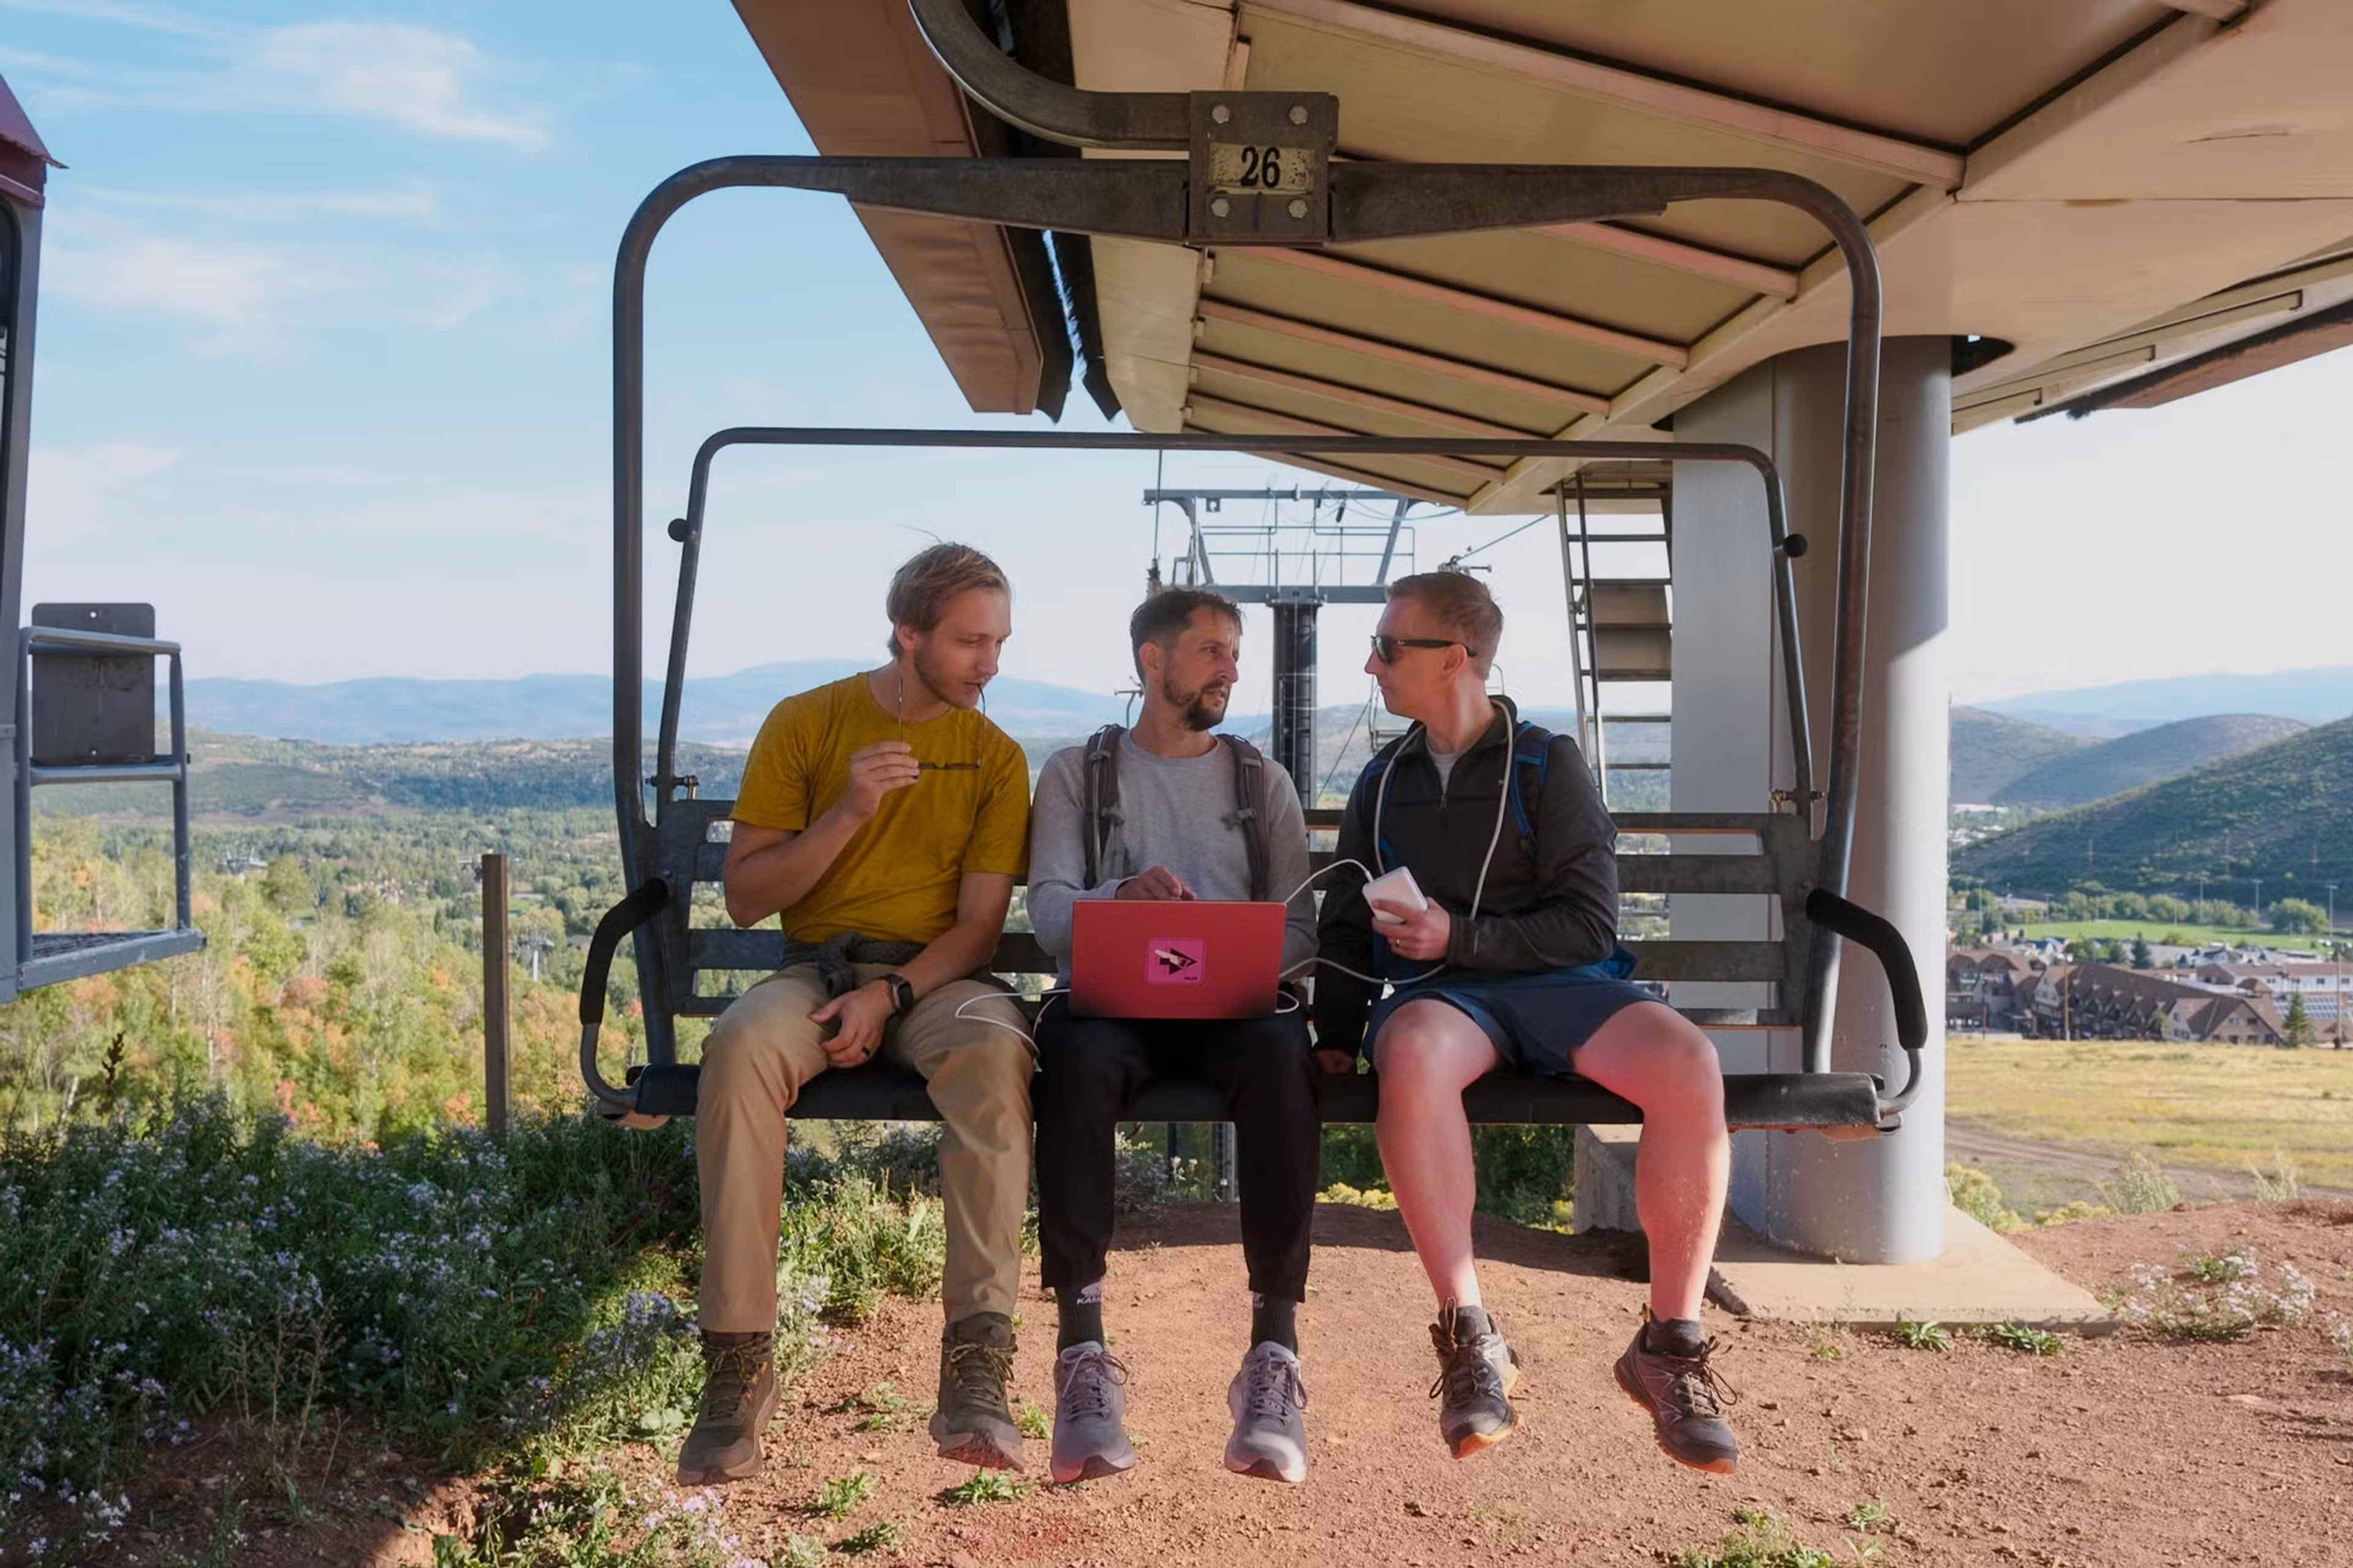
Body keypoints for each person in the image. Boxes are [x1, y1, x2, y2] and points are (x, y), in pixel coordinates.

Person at [1314, 570, 1740, 1474]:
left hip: (1564, 982)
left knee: (1689, 1063)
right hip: (1443, 1000)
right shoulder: (1383, 780)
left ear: (1456, 657)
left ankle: (1670, 1343)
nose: (1372, 662)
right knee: (1417, 1052)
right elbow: (1347, 923)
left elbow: (1589, 923)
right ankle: (1470, 1333)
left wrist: (1456, 931)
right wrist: (1334, 1035)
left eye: (1390, 646)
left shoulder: (1547, 763)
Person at [678, 543, 1037, 1483]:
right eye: (968, 641)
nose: (987, 663)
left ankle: (977, 1364)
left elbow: (980, 927)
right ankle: (737, 1362)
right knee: (742, 1045)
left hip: (935, 982)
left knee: (998, 1048)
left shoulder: (995, 758)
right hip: (816, 969)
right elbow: (749, 898)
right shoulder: (807, 722)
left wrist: (891, 993)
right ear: (907, 632)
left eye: (998, 642)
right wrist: (846, 812)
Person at [1026, 589, 1321, 1485]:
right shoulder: (1082, 774)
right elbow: (1047, 914)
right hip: (1115, 1009)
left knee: (1283, 1056)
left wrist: (1233, 944)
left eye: (1234, 652)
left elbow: (1303, 927)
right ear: (1153, 663)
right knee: (1070, 1055)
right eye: (1211, 651)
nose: (1232, 668)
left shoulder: (1256, 780)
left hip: (1234, 1013)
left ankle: (1275, 1349)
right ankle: (1083, 1350)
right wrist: (1120, 903)